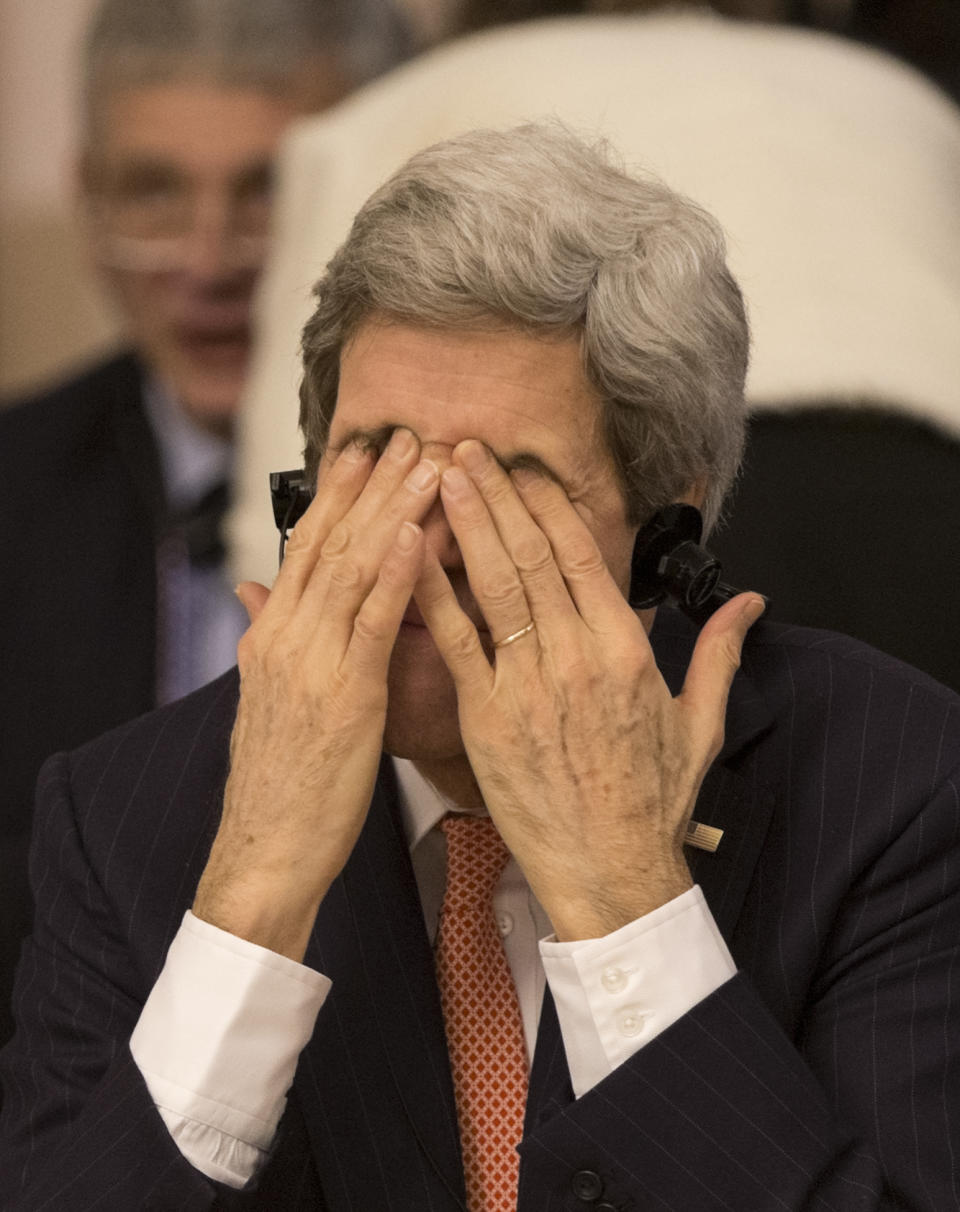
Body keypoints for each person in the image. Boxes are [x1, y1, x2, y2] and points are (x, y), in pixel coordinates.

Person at [1, 123, 957, 1210]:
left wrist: (626, 908)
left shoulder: (896, 791)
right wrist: (251, 903)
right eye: (377, 460)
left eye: (505, 483)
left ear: (667, 529)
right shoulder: (124, 815)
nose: (421, 540)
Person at [0, 0, 412, 1052]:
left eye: (268, 191)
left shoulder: (473, 491)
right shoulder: (16, 482)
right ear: (86, 196)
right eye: (152, 193)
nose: (210, 258)